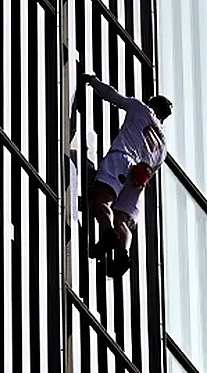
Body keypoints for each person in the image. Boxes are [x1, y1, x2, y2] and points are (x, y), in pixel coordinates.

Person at [81, 73, 172, 277]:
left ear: (152, 103)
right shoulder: (164, 146)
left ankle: (106, 233)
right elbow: (152, 170)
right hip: (139, 179)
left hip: (123, 158)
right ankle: (123, 253)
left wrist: (92, 81)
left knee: (102, 200)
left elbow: (111, 95)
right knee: (121, 220)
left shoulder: (141, 108)